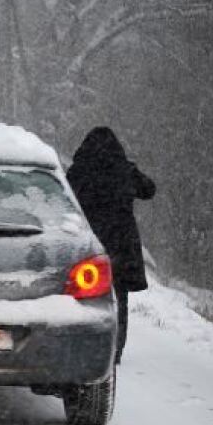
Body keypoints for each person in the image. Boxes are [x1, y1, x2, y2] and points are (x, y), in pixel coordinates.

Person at [66, 126, 156, 364]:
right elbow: (149, 190)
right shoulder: (124, 171)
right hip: (121, 243)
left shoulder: (79, 171)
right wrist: (130, 170)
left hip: (90, 242)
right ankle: (116, 350)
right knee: (119, 298)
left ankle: (85, 344)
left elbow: (65, 199)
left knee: (85, 295)